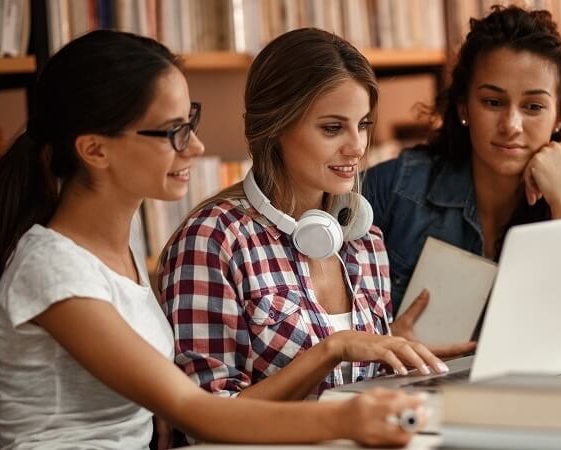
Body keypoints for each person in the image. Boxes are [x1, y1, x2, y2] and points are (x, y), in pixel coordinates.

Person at [0, 30, 424, 450]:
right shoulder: (52, 269)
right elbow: (193, 411)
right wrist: (345, 410)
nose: (196, 146)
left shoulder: (116, 252)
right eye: (171, 132)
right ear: (94, 150)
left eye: (191, 121)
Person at [157, 27, 445, 408]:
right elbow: (203, 418)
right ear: (276, 126)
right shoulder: (214, 239)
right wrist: (330, 351)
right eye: (332, 128)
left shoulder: (365, 241)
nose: (357, 146)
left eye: (362, 125)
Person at [363, 6, 561, 362]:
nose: (511, 124)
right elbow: (323, 321)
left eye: (532, 107)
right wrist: (381, 342)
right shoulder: (393, 190)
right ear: (464, 106)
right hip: (408, 402)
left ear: (559, 117)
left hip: (532, 403)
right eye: (493, 102)